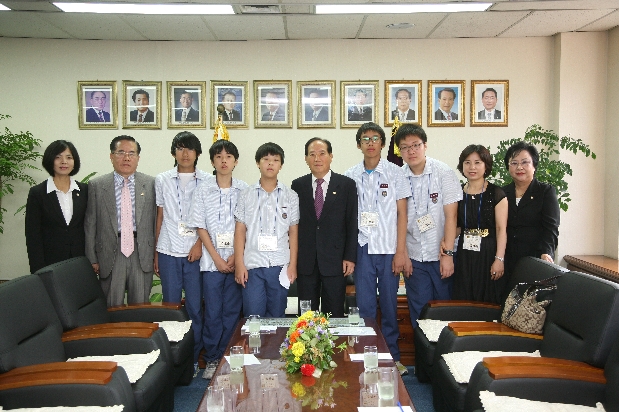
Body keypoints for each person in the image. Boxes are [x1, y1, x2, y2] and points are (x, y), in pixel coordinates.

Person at [344, 122, 411, 376]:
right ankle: (366, 355)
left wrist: (401, 252)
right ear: (359, 144)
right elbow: (348, 217)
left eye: (375, 138)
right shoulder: (350, 175)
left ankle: (392, 358)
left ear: (383, 143)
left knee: (390, 307)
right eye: (365, 138)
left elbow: (402, 214)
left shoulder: (397, 173)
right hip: (362, 248)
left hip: (389, 249)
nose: (370, 142)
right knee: (365, 308)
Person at [190, 139, 248, 380]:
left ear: (235, 161)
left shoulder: (245, 190)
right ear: (212, 161)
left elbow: (246, 225)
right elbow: (200, 227)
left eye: (228, 156)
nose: (224, 160)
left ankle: (228, 356)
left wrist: (235, 256)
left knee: (232, 311)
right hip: (211, 262)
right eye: (219, 156)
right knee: (212, 312)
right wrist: (216, 259)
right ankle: (213, 358)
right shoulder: (202, 189)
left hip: (236, 261)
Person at [395, 125, 461, 328]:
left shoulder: (444, 173)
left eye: (416, 145)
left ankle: (443, 359)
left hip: (441, 255)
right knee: (420, 314)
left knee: (445, 312)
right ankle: (424, 360)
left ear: (425, 146)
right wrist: (403, 253)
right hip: (414, 257)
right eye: (405, 147)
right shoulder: (397, 176)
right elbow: (398, 219)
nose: (411, 151)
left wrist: (448, 255)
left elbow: (452, 216)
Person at [154, 131, 207, 373]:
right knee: (171, 308)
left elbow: (208, 219)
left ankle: (194, 359)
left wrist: (200, 244)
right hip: (168, 250)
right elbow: (160, 216)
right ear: (174, 152)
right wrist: (156, 251)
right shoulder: (162, 179)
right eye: (180, 148)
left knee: (195, 307)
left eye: (190, 149)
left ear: (197, 153)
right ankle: (172, 361)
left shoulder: (207, 180)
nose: (185, 154)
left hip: (196, 252)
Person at [85, 135, 156, 306]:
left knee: (139, 307)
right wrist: (91, 257)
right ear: (111, 156)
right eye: (121, 152)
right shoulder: (97, 185)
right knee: (111, 306)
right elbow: (90, 223)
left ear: (138, 158)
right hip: (110, 252)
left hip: (141, 253)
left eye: (132, 153)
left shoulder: (151, 184)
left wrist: (156, 255)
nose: (126, 158)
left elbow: (156, 221)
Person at [291, 137, 358, 317]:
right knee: (306, 316)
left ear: (331, 156)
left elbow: (352, 224)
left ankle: (333, 346)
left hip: (335, 262)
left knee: (334, 313)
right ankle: (304, 347)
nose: (317, 159)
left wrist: (350, 257)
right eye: (312, 155)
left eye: (322, 154)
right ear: (306, 159)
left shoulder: (346, 185)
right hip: (306, 262)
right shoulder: (297, 186)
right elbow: (293, 225)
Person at [234, 142, 299, 317]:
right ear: (257, 163)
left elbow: (293, 232)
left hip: (280, 266)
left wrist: (293, 265)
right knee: (253, 316)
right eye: (266, 159)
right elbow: (240, 231)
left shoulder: (291, 196)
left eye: (275, 160)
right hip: (253, 265)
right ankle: (255, 345)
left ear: (281, 165)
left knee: (277, 317)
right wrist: (239, 264)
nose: (270, 163)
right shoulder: (246, 194)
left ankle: (276, 346)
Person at [451, 144, 508, 304]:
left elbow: (501, 229)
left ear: (486, 165)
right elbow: (456, 226)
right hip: (464, 253)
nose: (472, 167)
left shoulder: (497, 193)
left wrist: (499, 259)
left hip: (488, 252)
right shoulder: (458, 192)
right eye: (467, 162)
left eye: (477, 162)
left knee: (487, 299)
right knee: (463, 297)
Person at [25, 140, 88, 273]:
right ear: (50, 160)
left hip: (81, 261)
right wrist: (38, 269)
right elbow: (33, 235)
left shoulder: (85, 191)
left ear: (74, 161)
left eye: (69, 157)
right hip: (50, 263)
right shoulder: (38, 193)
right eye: (58, 157)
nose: (64, 161)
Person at [503, 141, 560, 279]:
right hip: (506, 261)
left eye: (525, 162)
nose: (519, 167)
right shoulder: (502, 193)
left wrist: (547, 252)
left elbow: (551, 228)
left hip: (535, 259)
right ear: (508, 167)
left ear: (534, 165)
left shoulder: (545, 192)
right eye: (514, 163)